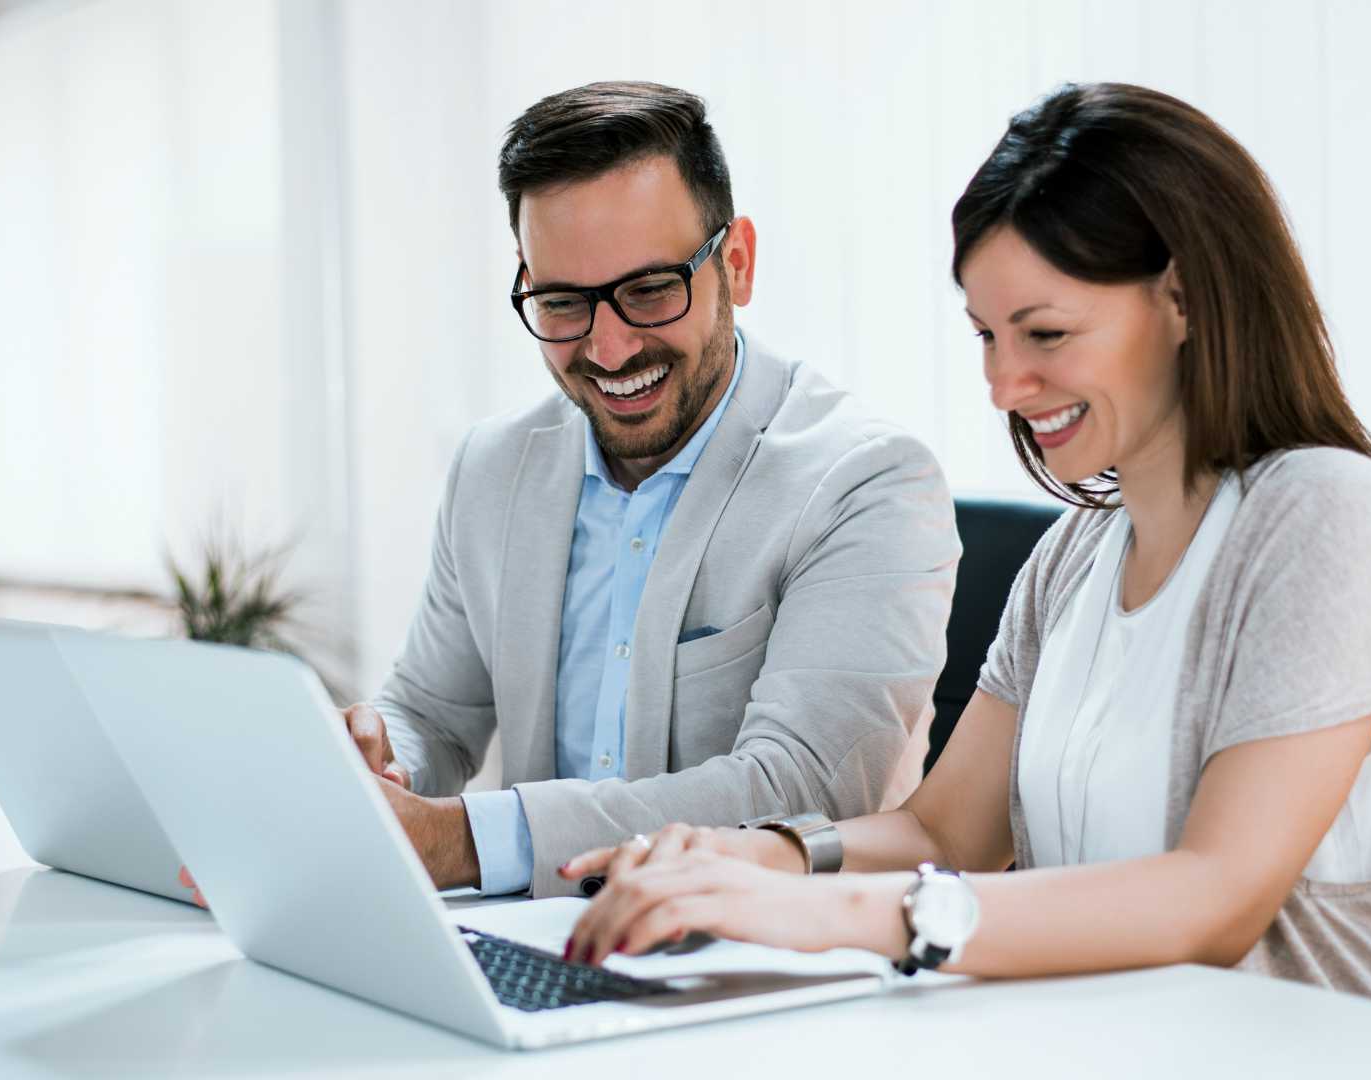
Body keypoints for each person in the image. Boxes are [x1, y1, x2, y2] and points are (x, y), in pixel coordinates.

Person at [559, 82, 1371, 1029]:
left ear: (1183, 299)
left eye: (1046, 333)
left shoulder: (1328, 519)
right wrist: (762, 857)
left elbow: (1214, 900)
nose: (1005, 384)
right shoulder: (1076, 555)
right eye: (986, 335)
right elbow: (946, 831)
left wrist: (822, 913)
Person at [183, 81, 958, 903]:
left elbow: (802, 795)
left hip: (768, 969)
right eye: (562, 303)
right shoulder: (493, 467)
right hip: (540, 945)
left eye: (651, 290)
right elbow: (433, 710)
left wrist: (460, 843)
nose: (611, 347)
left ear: (736, 264)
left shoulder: (868, 482)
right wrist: (375, 765)